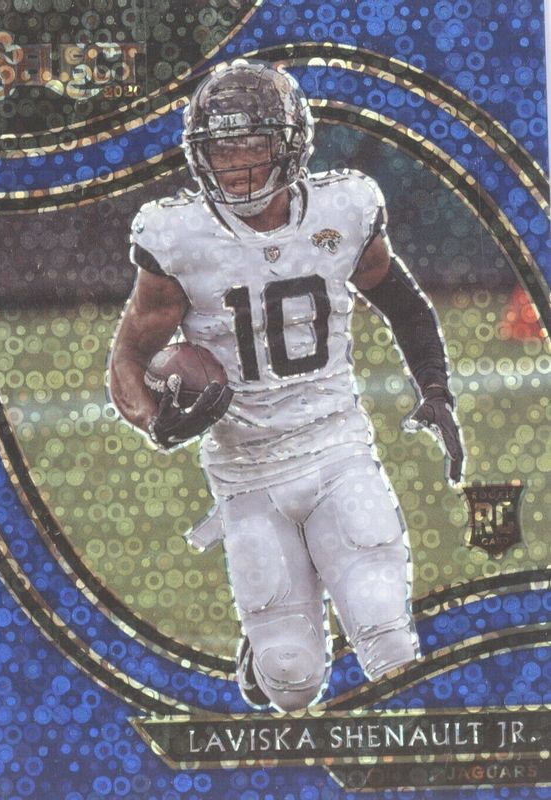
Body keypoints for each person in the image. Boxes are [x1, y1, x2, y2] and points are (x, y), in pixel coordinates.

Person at [109, 59, 464, 712]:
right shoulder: (176, 237)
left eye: (252, 146)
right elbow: (128, 357)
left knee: (389, 640)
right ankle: (263, 651)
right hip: (247, 471)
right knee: (291, 681)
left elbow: (401, 300)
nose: (236, 166)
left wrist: (435, 387)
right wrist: (153, 420)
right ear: (199, 153)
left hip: (336, 447)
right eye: (222, 149)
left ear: (291, 145)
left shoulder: (343, 210)